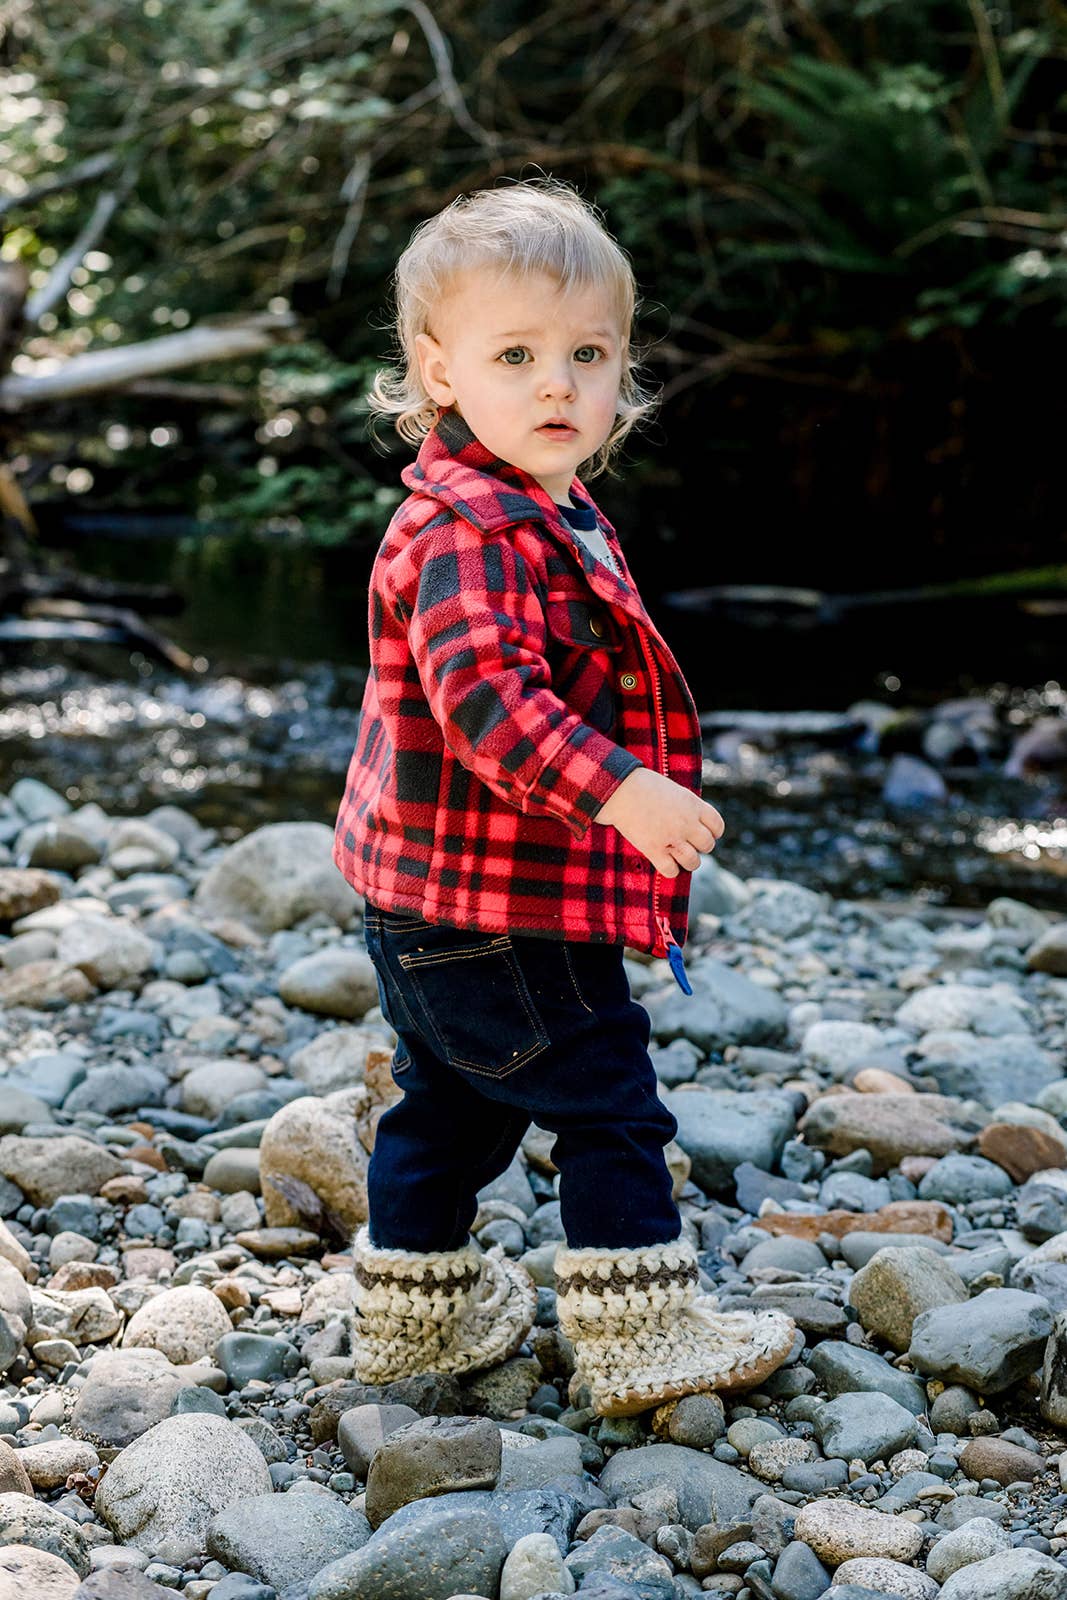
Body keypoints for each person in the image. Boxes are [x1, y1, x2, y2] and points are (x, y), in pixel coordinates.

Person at [332, 177, 795, 1416]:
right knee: (607, 1100)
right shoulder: (471, 531)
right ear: (438, 370)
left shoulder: (544, 504)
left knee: (448, 1105)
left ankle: (413, 1315)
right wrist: (625, 790)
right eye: (516, 355)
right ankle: (638, 1331)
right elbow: (487, 704)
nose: (558, 384)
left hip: (432, 896)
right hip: (498, 908)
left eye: (587, 355)